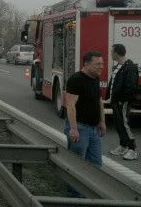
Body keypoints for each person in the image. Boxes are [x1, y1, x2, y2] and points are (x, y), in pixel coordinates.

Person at [64, 51, 106, 197]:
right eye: (98, 64)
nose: (102, 67)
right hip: (80, 128)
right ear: (87, 64)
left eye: (102, 63)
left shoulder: (95, 78)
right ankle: (75, 197)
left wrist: (101, 121)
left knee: (96, 163)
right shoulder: (76, 79)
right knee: (77, 164)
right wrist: (73, 129)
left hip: (93, 128)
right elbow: (70, 105)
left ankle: (89, 193)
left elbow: (98, 101)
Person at [108, 44, 139, 160]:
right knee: (118, 123)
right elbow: (114, 84)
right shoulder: (118, 66)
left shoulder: (129, 67)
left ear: (116, 53)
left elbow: (130, 87)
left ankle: (132, 149)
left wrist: (122, 100)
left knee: (124, 124)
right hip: (115, 101)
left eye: (112, 52)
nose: (111, 54)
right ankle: (123, 146)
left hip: (122, 102)